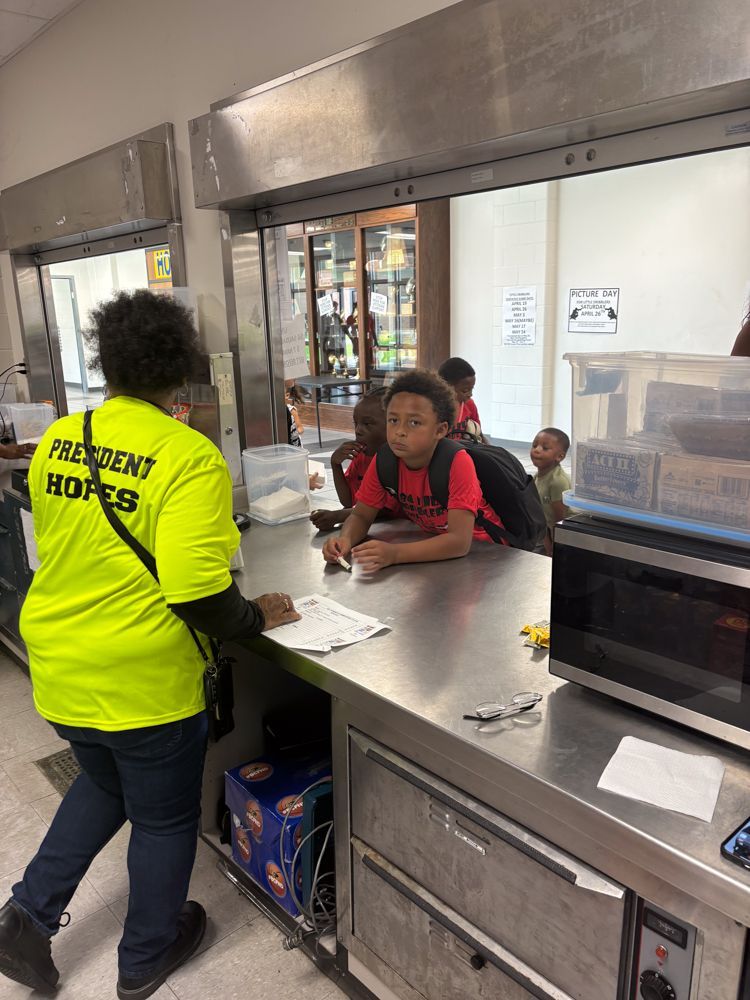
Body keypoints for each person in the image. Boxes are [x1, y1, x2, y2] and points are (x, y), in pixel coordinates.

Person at [0, 290, 300, 1000]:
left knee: (104, 782)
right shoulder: (187, 457)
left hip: (62, 665)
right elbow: (198, 592)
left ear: (107, 361)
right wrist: (256, 617)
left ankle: (24, 920)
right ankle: (145, 956)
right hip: (143, 679)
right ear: (181, 371)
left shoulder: (60, 441)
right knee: (165, 819)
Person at [322, 369, 505, 573]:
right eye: (393, 420)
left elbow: (459, 542)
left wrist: (395, 554)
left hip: (486, 554)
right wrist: (344, 540)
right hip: (434, 551)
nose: (400, 431)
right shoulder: (385, 459)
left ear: (440, 430)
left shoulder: (457, 462)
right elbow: (361, 515)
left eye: (414, 422)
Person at [310, 388, 387, 532]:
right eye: (356, 423)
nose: (358, 430)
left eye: (367, 424)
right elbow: (348, 500)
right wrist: (335, 464)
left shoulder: (396, 463)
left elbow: (386, 510)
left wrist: (338, 516)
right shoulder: (361, 457)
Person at [530, 427, 571, 555]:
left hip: (564, 535)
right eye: (534, 445)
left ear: (560, 456)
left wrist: (554, 548)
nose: (537, 450)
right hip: (548, 529)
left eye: (545, 448)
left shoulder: (557, 482)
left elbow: (560, 520)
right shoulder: (536, 477)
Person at [437, 357, 485, 442]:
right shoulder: (434, 408)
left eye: (472, 389)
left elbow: (479, 435)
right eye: (465, 391)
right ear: (446, 386)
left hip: (462, 450)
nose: (470, 394)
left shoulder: (469, 404)